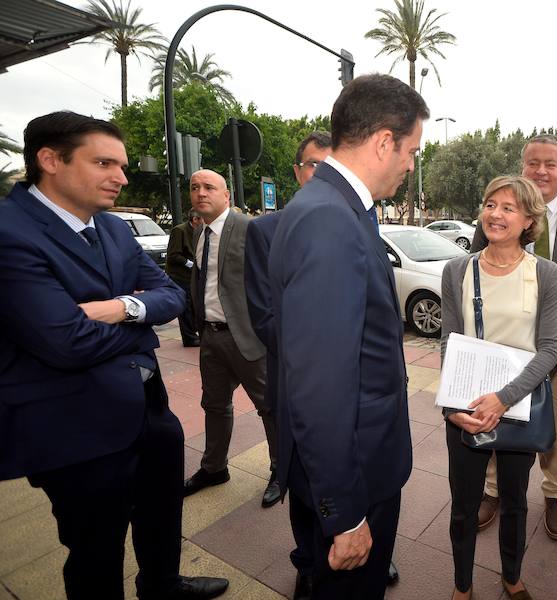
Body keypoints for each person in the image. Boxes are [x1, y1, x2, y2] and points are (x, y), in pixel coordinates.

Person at [0, 111, 227, 599]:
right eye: (104, 163)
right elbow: (67, 343)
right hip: (75, 426)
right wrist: (142, 329)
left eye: (122, 165)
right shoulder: (10, 232)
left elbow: (172, 294)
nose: (121, 178)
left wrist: (119, 307)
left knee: (162, 514)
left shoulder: (115, 229)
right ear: (50, 160)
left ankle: (162, 585)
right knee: (96, 548)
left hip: (149, 409)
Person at [268, 74, 426, 600]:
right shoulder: (330, 220)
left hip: (352, 460)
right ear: (384, 141)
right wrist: (346, 513)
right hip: (354, 474)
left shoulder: (330, 206)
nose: (410, 164)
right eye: (411, 151)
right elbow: (319, 384)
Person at [471, 134, 557, 540]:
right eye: (533, 163)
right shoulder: (500, 212)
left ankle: (554, 492)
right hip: (508, 347)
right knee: (500, 419)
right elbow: (478, 273)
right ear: (522, 166)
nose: (542, 171)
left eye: (551, 164)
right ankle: (493, 490)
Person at [442, 175, 557, 600]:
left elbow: (549, 350)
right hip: (466, 405)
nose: (495, 214)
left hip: (518, 405)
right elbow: (449, 341)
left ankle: (511, 577)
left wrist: (504, 398)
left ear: (529, 219)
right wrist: (452, 406)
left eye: (509, 208)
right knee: (463, 506)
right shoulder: (458, 269)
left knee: (515, 501)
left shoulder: (546, 273)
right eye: (490, 204)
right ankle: (462, 585)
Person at [183, 169, 279, 508]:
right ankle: (214, 468)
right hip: (211, 337)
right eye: (194, 187)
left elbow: (272, 282)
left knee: (269, 407)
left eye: (209, 187)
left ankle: (281, 470)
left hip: (248, 337)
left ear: (227, 196)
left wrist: (270, 330)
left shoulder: (248, 229)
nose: (200, 193)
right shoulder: (198, 233)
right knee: (214, 405)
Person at [166, 208, 203, 346]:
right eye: (202, 218)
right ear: (195, 220)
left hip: (193, 275)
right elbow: (173, 255)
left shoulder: (200, 231)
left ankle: (193, 333)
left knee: (194, 305)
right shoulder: (179, 231)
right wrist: (191, 264)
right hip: (180, 275)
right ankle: (189, 338)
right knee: (186, 306)